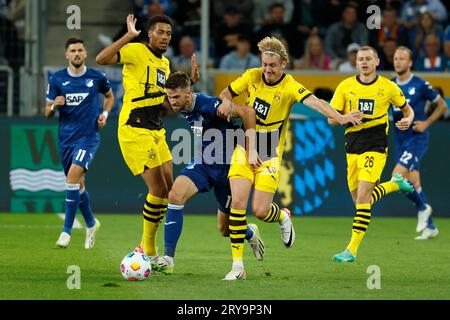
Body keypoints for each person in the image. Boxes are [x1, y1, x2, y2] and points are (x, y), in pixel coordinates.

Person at [218, 36, 363, 280]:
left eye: (272, 65)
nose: (267, 69)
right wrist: (227, 105)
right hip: (245, 145)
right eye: (265, 64)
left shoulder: (290, 86)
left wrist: (339, 117)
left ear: (283, 64)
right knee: (238, 206)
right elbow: (226, 93)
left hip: (269, 150)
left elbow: (314, 102)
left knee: (261, 211)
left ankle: (282, 216)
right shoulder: (252, 76)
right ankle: (237, 267)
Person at [95, 14, 199, 264]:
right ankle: (148, 250)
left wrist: (191, 82)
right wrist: (128, 36)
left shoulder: (165, 65)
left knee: (171, 189)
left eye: (168, 33)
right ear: (149, 33)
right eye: (160, 32)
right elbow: (101, 58)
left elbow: (169, 98)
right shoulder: (136, 50)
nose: (165, 37)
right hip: (134, 126)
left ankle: (146, 244)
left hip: (156, 127)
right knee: (158, 189)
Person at [155, 71, 264, 274]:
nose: (172, 102)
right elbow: (187, 90)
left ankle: (249, 233)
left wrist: (251, 150)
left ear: (187, 94)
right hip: (204, 164)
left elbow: (248, 113)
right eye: (169, 97)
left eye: (175, 97)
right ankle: (168, 259)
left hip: (228, 169)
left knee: (224, 229)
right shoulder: (185, 102)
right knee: (175, 195)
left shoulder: (211, 105)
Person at [329, 46, 415, 263]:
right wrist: (346, 117)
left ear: (377, 61)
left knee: (363, 197)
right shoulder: (345, 86)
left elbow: (407, 109)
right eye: (360, 59)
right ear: (356, 63)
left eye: (368, 59)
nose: (364, 62)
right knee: (360, 202)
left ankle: (351, 250)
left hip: (376, 145)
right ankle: (394, 184)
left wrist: (408, 120)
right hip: (352, 147)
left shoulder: (388, 87)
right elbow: (331, 118)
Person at [45, 38, 115, 249]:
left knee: (73, 177)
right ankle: (91, 223)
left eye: (80, 50)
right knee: (78, 184)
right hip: (66, 139)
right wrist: (54, 106)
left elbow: (110, 97)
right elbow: (46, 112)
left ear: (85, 54)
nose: (76, 53)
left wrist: (104, 113)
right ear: (66, 55)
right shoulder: (57, 79)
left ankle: (66, 232)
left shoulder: (97, 77)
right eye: (72, 50)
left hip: (88, 137)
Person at [392, 46, 448, 240]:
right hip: (400, 139)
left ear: (410, 63)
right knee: (414, 182)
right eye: (396, 58)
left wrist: (426, 123)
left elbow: (442, 105)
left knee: (397, 177)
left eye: (402, 59)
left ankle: (423, 208)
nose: (398, 61)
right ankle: (431, 227)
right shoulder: (390, 85)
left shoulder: (420, 84)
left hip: (416, 139)